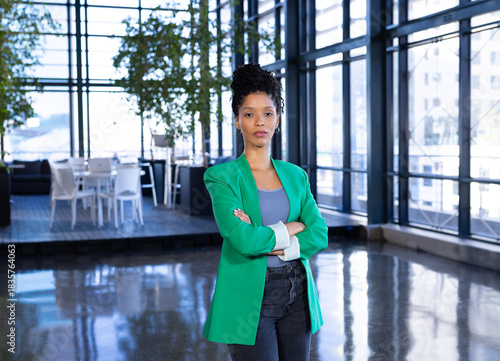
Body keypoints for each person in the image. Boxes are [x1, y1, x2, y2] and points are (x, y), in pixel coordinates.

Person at [203, 63, 328, 361]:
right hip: (250, 299)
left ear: (277, 120)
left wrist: (271, 242)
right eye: (249, 114)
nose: (260, 121)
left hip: (296, 292)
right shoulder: (222, 177)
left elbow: (320, 234)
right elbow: (243, 240)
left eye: (268, 113)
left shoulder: (296, 176)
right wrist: (292, 228)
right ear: (237, 121)